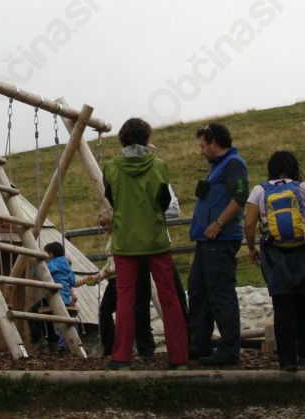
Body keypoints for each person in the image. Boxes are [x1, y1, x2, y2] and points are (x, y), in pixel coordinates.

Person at [103, 117, 189, 371]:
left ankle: (121, 358)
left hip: (125, 242)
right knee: (169, 297)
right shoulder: (159, 166)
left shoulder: (111, 168)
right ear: (146, 138)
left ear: (122, 138)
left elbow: (112, 199)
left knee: (125, 300)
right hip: (155, 240)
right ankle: (179, 357)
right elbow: (164, 203)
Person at [79, 191, 188, 360]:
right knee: (116, 310)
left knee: (132, 306)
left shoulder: (122, 237)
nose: (104, 228)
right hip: (115, 278)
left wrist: (106, 272)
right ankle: (122, 346)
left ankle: (123, 347)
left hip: (123, 276)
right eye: (102, 225)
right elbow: (112, 261)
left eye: (105, 225)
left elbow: (121, 260)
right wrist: (99, 276)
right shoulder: (113, 238)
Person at [244, 151, 305, 371]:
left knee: (282, 306)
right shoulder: (301, 188)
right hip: (303, 251)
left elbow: (249, 223)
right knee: (304, 302)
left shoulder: (259, 190)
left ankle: (287, 360)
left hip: (274, 252)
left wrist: (251, 248)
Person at [188, 123, 249, 366]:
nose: (201, 151)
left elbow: (240, 196)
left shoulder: (234, 164)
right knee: (199, 292)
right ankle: (199, 344)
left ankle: (229, 350)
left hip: (220, 240)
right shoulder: (218, 168)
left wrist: (219, 223)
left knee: (220, 293)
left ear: (214, 143)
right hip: (206, 241)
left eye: (203, 146)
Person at [30, 241, 77, 352]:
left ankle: (37, 340)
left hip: (55, 298)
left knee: (32, 313)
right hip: (65, 300)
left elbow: (36, 272)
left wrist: (38, 262)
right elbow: (72, 281)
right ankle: (53, 342)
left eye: (46, 253)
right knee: (48, 316)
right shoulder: (67, 265)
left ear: (50, 254)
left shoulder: (53, 264)